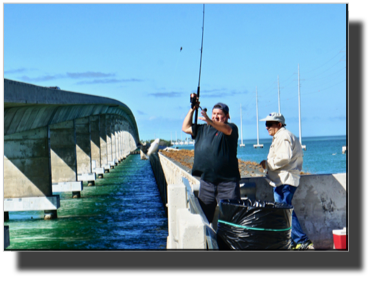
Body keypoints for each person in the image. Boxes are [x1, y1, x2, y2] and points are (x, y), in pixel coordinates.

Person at [182, 94, 241, 224]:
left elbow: (226, 129)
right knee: (203, 219)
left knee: (231, 220)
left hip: (228, 184)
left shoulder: (231, 128)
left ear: (227, 117)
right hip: (207, 183)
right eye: (214, 113)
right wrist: (192, 108)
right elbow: (185, 127)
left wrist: (210, 121)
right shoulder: (203, 129)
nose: (215, 116)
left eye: (219, 114)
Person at [259, 112, 314, 250]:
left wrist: (268, 164)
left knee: (285, 210)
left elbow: (284, 158)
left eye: (269, 124)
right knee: (285, 210)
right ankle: (295, 243)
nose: (266, 127)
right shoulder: (281, 136)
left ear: (279, 124)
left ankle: (302, 241)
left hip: (284, 180)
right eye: (266, 124)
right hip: (283, 180)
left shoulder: (283, 136)